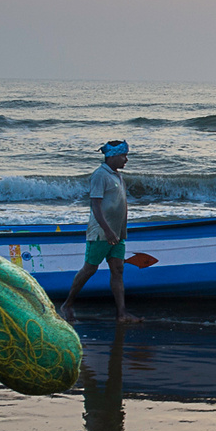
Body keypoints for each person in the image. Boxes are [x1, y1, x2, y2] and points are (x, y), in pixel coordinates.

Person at [59, 139, 141, 325]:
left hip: (117, 232)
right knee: (90, 268)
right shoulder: (99, 175)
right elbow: (95, 205)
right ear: (111, 156)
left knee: (118, 269)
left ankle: (121, 313)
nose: (126, 159)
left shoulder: (117, 176)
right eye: (123, 155)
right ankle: (68, 304)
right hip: (101, 233)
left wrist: (118, 231)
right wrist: (107, 230)